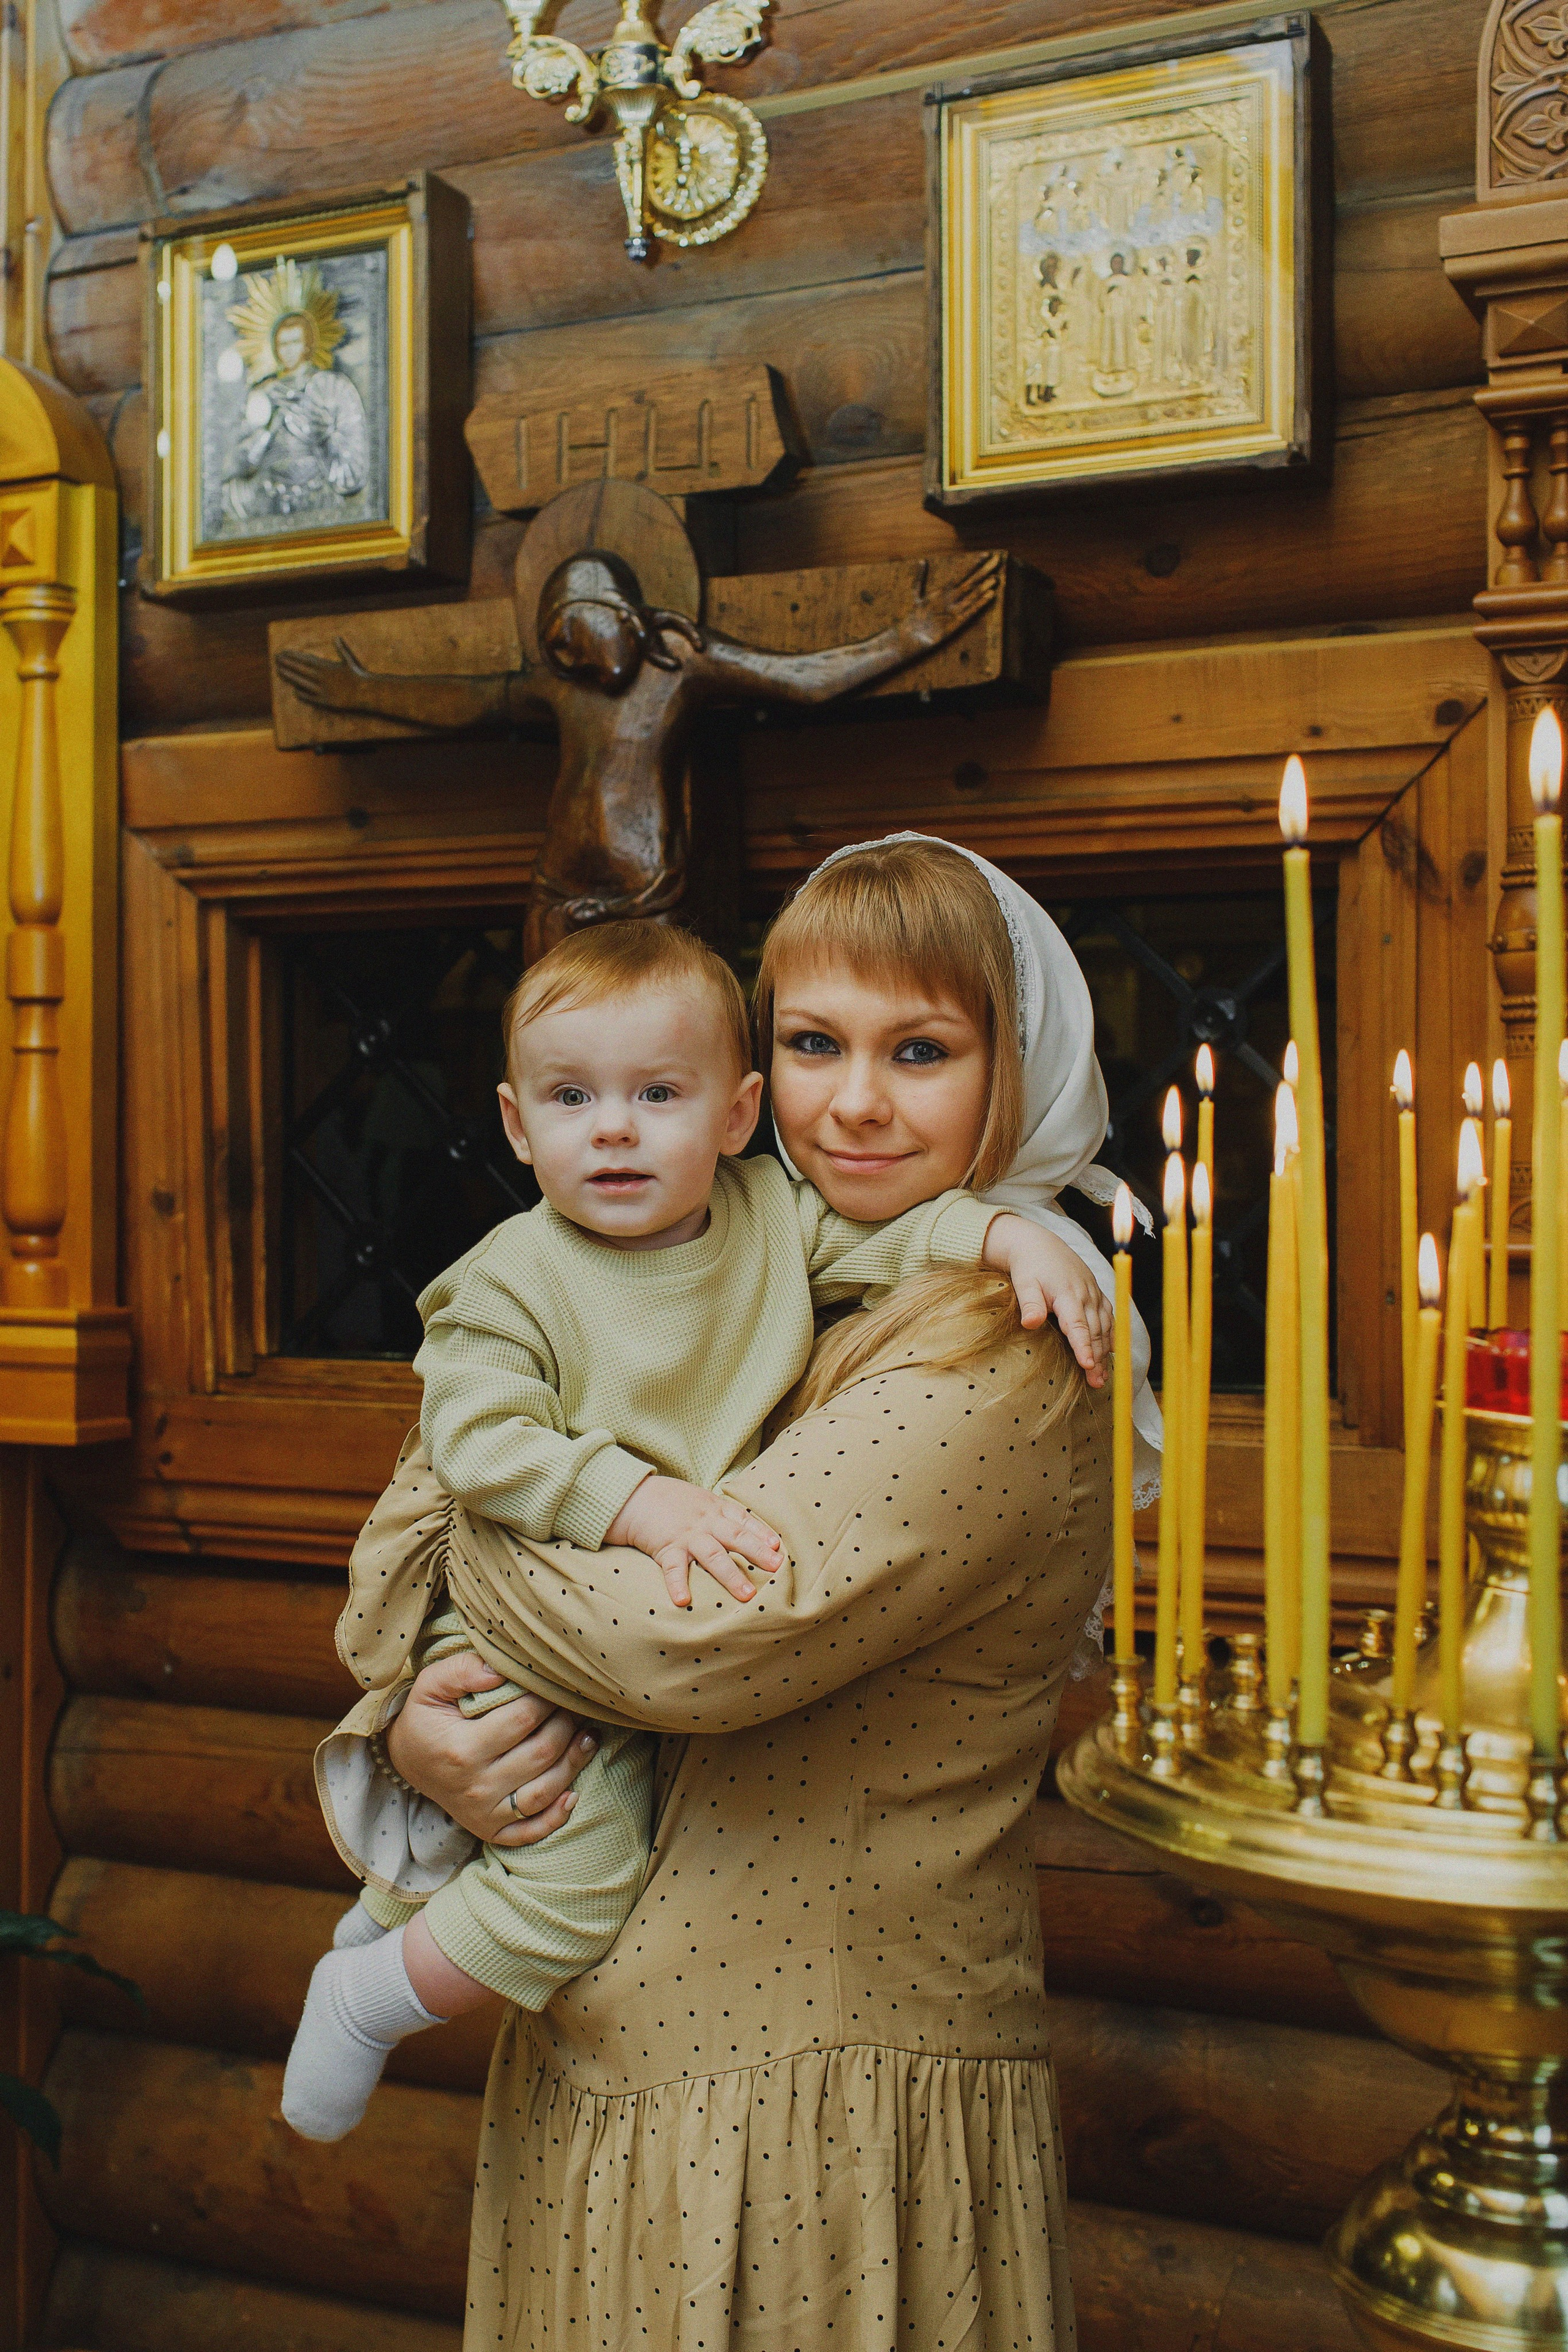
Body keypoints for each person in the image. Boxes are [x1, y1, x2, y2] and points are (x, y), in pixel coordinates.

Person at [314, 834, 1160, 2352]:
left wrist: (469, 1534)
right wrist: (431, 1731)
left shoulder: (1004, 1340)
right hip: (618, 2047)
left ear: (1015, 1068)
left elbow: (681, 1642)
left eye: (920, 1051)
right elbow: (485, 1450)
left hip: (810, 2085)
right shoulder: (738, 1252)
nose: (855, 1102)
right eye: (815, 1044)